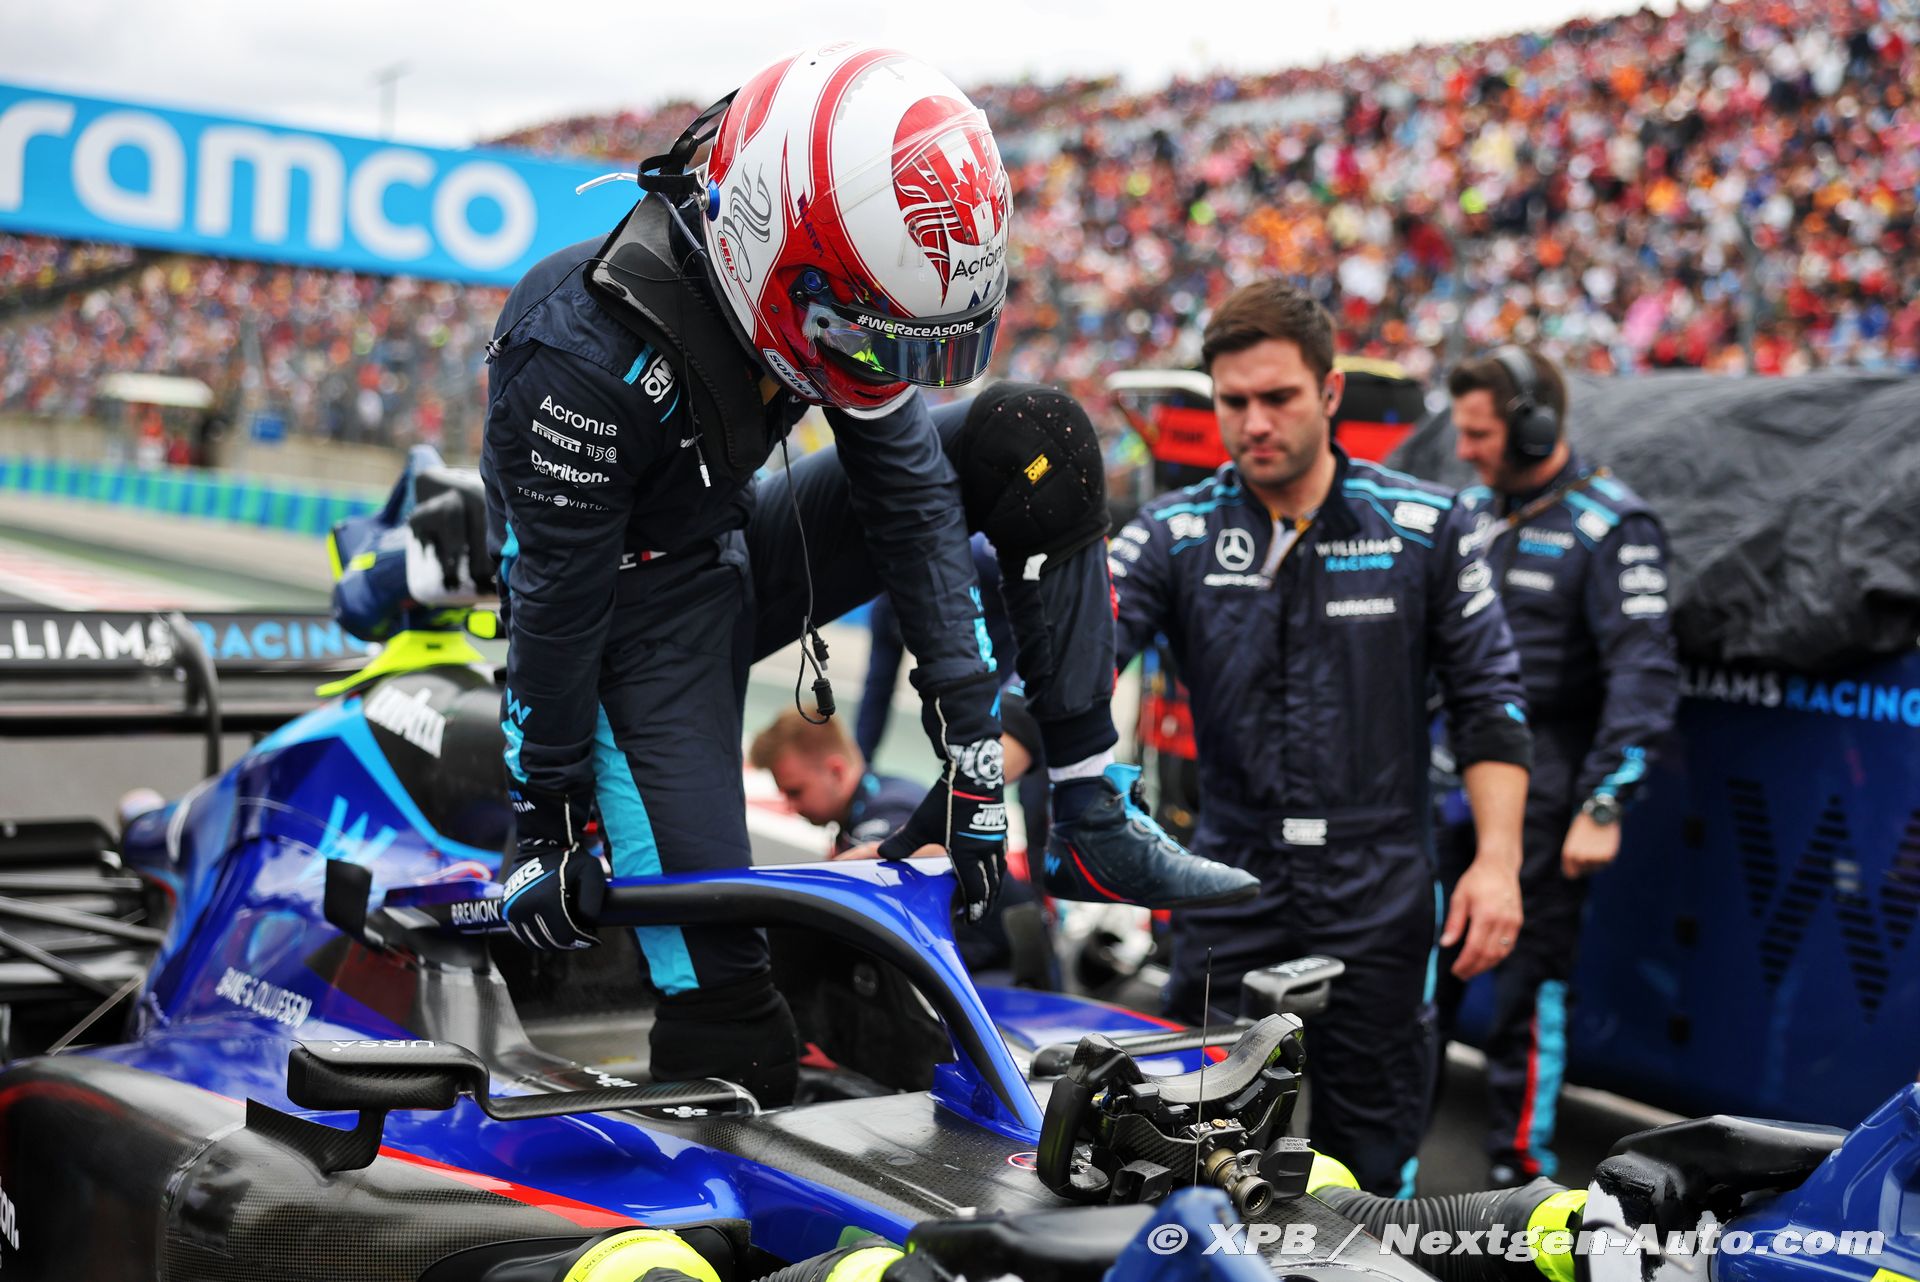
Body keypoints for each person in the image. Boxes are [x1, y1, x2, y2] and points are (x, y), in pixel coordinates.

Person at [477, 45, 1254, 1107]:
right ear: (762, 244)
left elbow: (915, 500)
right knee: (728, 1004)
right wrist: (546, 817)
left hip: (736, 541)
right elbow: (554, 606)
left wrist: (973, 743)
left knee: (1036, 439)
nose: (891, 371)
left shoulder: (830, 285)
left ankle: (1089, 808)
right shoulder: (576, 352)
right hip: (626, 614)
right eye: (870, 338)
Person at [1108, 280, 1533, 1196]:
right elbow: (1068, 680)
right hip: (1228, 873)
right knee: (1191, 1152)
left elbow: (1491, 704)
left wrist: (1497, 863)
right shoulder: (1173, 533)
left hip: (1378, 883)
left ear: (1330, 393)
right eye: (1233, 402)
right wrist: (959, 808)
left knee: (1369, 1163)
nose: (1255, 423)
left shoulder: (1427, 527)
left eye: (1279, 397)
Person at [1439, 347, 1679, 1186]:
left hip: (1548, 782)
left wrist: (1605, 802)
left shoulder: (1613, 524)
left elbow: (1644, 673)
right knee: (1412, 976)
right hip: (1445, 774)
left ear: (1534, 427)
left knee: (1526, 982)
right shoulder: (1467, 512)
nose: (1464, 450)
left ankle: (1523, 1177)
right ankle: (1383, 1166)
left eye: (1479, 434)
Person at [748, 707, 1048, 981]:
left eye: (795, 791)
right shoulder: (874, 796)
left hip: (1006, 965)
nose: (789, 805)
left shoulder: (890, 811)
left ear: (836, 771)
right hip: (986, 952)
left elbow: (866, 879)